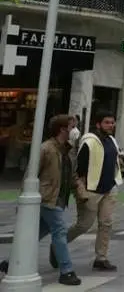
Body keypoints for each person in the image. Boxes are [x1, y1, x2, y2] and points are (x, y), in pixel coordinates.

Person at [0, 115, 82, 285]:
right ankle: (66, 271)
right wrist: (23, 201)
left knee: (35, 233)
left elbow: (70, 174)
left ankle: (10, 263)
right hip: (47, 198)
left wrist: (79, 190)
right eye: (71, 126)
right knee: (60, 230)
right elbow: (31, 174)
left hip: (58, 199)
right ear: (62, 129)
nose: (74, 130)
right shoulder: (46, 148)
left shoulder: (68, 150)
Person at [61, 110, 122, 272]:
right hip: (91, 190)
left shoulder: (112, 140)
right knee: (84, 225)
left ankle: (101, 258)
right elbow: (79, 168)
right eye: (107, 122)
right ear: (98, 124)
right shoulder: (89, 141)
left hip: (109, 188)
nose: (110, 125)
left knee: (106, 223)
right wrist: (81, 187)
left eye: (112, 122)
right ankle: (58, 244)